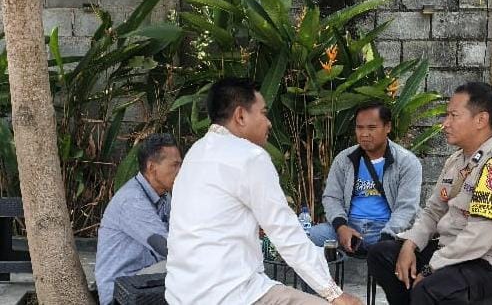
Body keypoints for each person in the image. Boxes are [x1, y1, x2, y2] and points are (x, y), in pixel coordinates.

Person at [165, 77, 361, 305]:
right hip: (233, 295)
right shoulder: (249, 156)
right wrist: (334, 293)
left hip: (181, 295)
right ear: (240, 116)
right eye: (263, 113)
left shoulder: (195, 153)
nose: (268, 123)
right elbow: (286, 234)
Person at [367, 82, 492, 305]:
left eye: (454, 116)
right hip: (452, 250)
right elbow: (433, 211)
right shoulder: (457, 161)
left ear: (481, 120)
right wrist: (410, 244)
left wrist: (430, 267)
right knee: (382, 255)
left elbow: (479, 238)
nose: (445, 123)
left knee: (429, 288)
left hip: (491, 263)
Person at [309, 102, 422, 255]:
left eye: (372, 128)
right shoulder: (344, 159)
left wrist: (386, 239)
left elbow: (406, 208)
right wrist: (341, 227)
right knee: (311, 236)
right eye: (359, 128)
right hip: (349, 226)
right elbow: (331, 197)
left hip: (386, 229)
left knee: (400, 249)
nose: (364, 134)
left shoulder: (406, 162)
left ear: (388, 127)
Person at [95, 133, 182, 305]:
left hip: (144, 281)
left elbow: (181, 233)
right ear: (152, 167)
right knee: (190, 269)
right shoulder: (132, 200)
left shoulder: (164, 197)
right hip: (121, 294)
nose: (180, 171)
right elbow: (166, 246)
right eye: (175, 165)